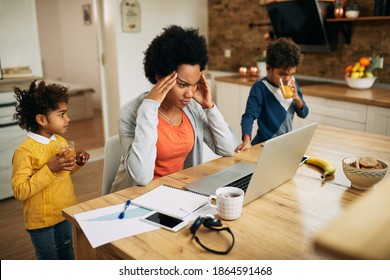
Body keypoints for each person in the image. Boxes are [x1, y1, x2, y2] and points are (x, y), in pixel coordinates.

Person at [110, 25, 237, 192]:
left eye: (195, 84)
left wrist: (209, 107)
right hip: (136, 198)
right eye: (183, 85)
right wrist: (150, 107)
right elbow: (141, 177)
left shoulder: (192, 107)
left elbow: (226, 148)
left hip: (178, 193)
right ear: (160, 78)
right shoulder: (132, 112)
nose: (190, 93)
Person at [12, 80, 90, 260]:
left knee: (67, 256)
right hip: (42, 223)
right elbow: (20, 190)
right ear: (41, 119)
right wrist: (49, 168)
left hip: (64, 213)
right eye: (61, 114)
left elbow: (64, 173)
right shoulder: (24, 152)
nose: (67, 119)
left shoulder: (61, 142)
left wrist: (77, 163)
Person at [235, 37, 309, 153]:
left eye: (292, 74)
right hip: (263, 145)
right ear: (269, 69)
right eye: (282, 74)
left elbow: (304, 113)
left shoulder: (292, 84)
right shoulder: (260, 88)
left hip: (285, 145)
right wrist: (246, 140)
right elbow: (249, 116)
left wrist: (297, 98)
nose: (287, 78)